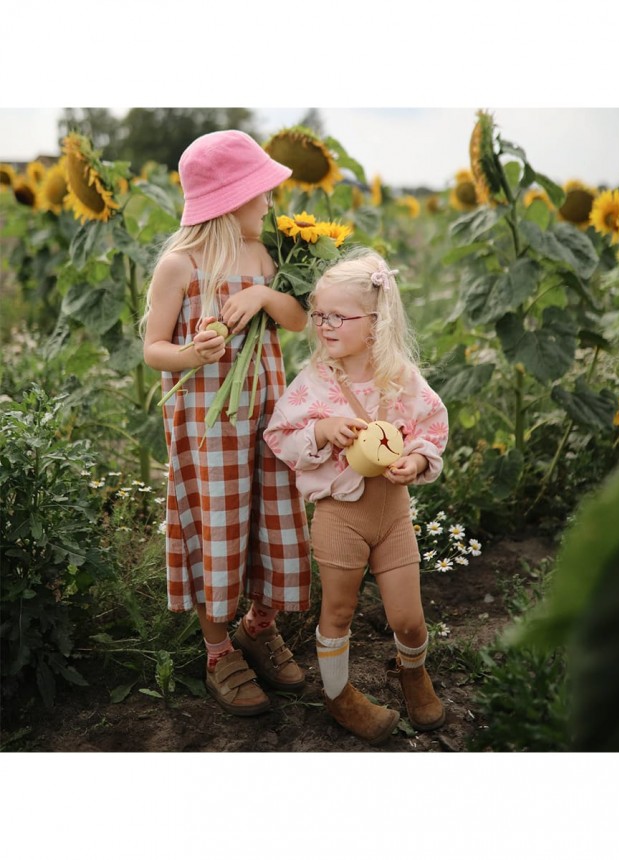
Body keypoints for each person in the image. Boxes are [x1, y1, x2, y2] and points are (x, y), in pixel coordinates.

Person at [142, 130, 311, 716]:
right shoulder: (180, 266)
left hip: (266, 418)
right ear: (230, 199)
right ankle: (218, 650)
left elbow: (296, 321)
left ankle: (257, 627)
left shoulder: (263, 257)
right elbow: (153, 348)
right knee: (219, 528)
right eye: (261, 192)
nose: (269, 202)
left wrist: (266, 293)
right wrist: (193, 354)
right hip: (209, 431)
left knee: (272, 521)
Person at [264, 247, 450, 744]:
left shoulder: (402, 381)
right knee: (339, 611)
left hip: (391, 514)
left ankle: (412, 672)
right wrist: (321, 429)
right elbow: (280, 436)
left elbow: (432, 426)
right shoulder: (315, 383)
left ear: (374, 322)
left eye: (337, 316)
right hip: (339, 515)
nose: (323, 325)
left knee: (408, 619)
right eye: (319, 314)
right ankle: (338, 693)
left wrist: (416, 459)